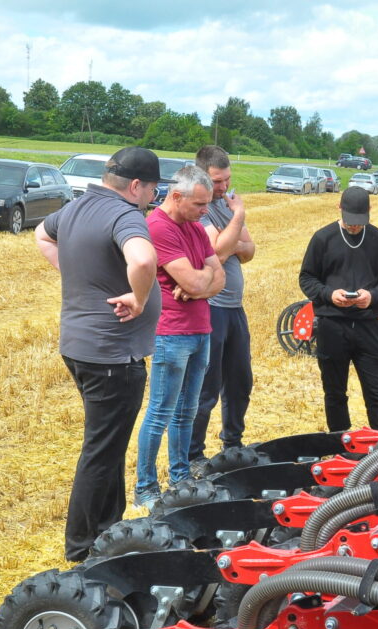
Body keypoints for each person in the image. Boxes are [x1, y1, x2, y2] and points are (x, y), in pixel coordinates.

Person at [34, 146, 162, 562]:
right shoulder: (125, 215)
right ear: (136, 186)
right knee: (102, 450)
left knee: (108, 444)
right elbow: (144, 259)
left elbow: (40, 233)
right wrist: (139, 299)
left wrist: (73, 273)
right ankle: (82, 546)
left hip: (80, 346)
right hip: (112, 354)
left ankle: (107, 530)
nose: (152, 199)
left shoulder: (74, 209)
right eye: (152, 190)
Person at [135, 165, 225, 510]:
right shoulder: (158, 227)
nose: (205, 211)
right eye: (200, 204)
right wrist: (202, 282)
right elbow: (203, 281)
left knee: (187, 411)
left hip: (201, 328)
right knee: (160, 412)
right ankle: (145, 487)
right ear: (176, 196)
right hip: (171, 333)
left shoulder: (196, 228)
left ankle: (180, 477)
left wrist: (200, 285)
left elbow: (218, 279)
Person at [299, 186, 378, 431]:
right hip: (332, 326)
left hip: (368, 326)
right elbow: (307, 278)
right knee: (334, 393)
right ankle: (341, 446)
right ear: (339, 208)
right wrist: (329, 295)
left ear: (369, 212)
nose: (354, 227)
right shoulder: (323, 239)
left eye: (359, 222)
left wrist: (372, 296)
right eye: (350, 221)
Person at [188, 146, 255, 474]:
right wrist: (238, 217)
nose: (224, 187)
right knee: (207, 387)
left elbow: (248, 250)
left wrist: (234, 243)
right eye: (217, 180)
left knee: (240, 380)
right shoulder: (201, 210)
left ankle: (232, 443)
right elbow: (218, 250)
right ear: (202, 176)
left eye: (227, 179)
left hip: (234, 308)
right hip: (211, 308)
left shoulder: (224, 205)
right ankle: (193, 454)